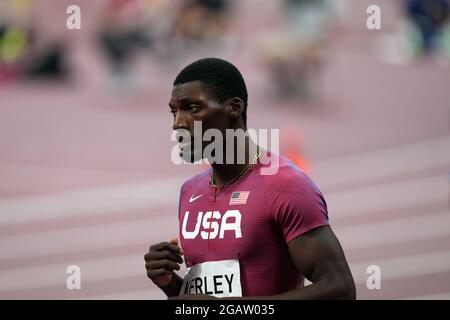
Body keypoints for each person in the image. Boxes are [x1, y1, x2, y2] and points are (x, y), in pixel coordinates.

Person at [144, 58, 355, 299]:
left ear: (234, 107)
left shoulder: (285, 185)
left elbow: (340, 289)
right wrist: (170, 284)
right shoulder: (190, 191)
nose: (178, 124)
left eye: (192, 108)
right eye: (174, 111)